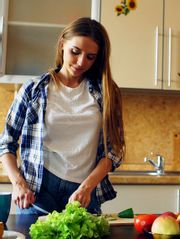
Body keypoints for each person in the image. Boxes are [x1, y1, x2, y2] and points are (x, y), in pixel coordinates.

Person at [0, 17, 125, 215]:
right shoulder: (34, 89)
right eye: (75, 52)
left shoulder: (107, 93)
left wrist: (87, 187)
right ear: (62, 44)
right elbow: (6, 142)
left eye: (90, 57)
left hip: (83, 190)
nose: (81, 62)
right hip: (40, 189)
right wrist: (18, 182)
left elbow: (114, 150)